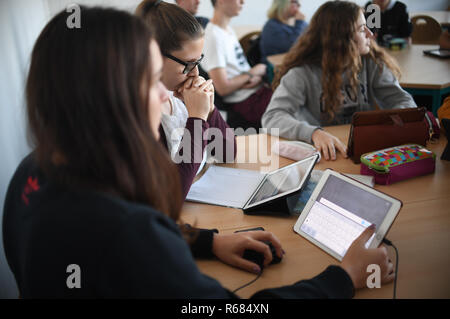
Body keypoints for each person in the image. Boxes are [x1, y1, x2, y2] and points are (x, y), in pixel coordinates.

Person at [3, 6, 394, 298]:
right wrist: (344, 277)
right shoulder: (127, 232)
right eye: (146, 79)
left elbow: (216, 155)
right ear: (106, 97)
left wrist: (206, 242)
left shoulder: (32, 170)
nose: (162, 94)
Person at [262, 0, 417, 161]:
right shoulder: (301, 74)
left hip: (362, 151)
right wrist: (314, 133)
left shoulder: (371, 63)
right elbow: (272, 117)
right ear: (340, 37)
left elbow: (402, 100)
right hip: (324, 154)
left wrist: (391, 124)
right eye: (361, 29)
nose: (370, 34)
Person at [136, 0, 236, 200]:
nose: (196, 73)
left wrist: (209, 110)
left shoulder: (179, 95)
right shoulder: (141, 113)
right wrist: (197, 120)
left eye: (198, 61)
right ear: (152, 56)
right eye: (188, 64)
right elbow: (170, 193)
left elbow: (226, 153)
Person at [201, 0, 273, 129]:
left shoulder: (227, 30)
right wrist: (253, 72)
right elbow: (223, 88)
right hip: (245, 101)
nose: (242, 2)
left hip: (255, 92)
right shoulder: (213, 37)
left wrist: (254, 76)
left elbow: (239, 70)